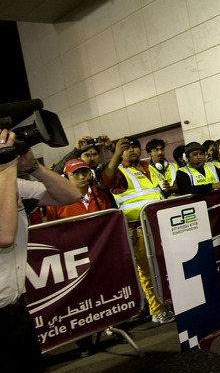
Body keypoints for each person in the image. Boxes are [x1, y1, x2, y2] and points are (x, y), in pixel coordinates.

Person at [1, 128, 81, 373]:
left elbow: (70, 194)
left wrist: (32, 167)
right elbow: (4, 235)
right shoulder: (6, 182)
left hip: (14, 310)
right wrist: (8, 168)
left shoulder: (11, 184)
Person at [45, 158, 116, 357]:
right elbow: (54, 231)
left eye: (85, 172)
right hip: (75, 258)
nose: (82, 176)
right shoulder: (57, 200)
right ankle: (84, 340)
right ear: (66, 177)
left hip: (103, 253)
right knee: (81, 298)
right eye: (76, 173)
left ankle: (115, 325)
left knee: (109, 290)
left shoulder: (101, 195)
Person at [101, 137, 174, 324]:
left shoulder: (150, 167)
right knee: (148, 271)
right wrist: (115, 154)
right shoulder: (119, 171)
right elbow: (107, 180)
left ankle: (169, 301)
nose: (132, 150)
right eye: (127, 148)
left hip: (159, 223)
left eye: (135, 147)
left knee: (166, 266)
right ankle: (157, 310)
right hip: (137, 228)